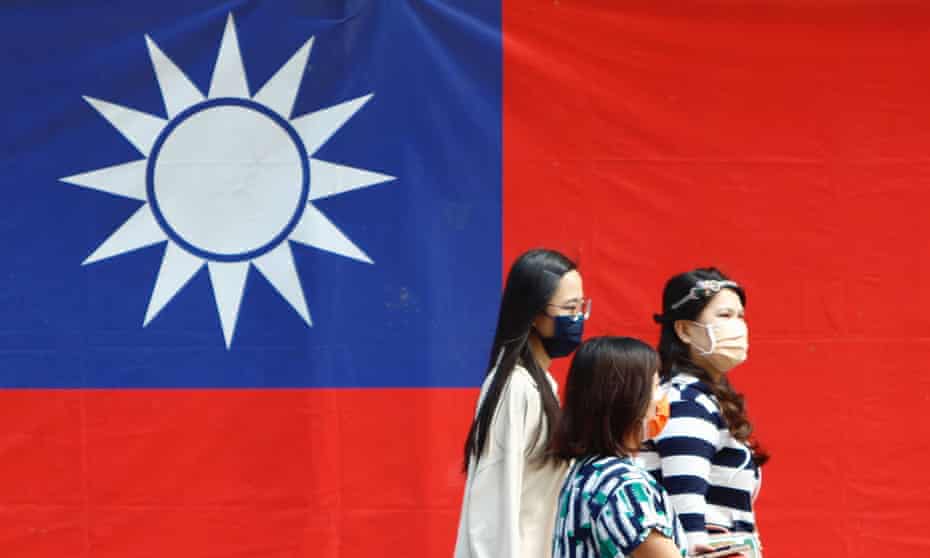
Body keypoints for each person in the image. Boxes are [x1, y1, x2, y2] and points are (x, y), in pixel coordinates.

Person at [454, 248, 591, 558]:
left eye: (581, 306)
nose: (578, 318)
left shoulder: (540, 383)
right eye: (569, 308)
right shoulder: (515, 387)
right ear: (532, 312)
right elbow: (492, 505)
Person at [638, 268, 768, 553]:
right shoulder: (686, 403)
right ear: (684, 330)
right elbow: (685, 507)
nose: (738, 326)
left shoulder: (704, 399)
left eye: (740, 316)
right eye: (724, 316)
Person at [552, 336, 688, 558]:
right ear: (627, 398)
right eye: (654, 386)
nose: (662, 398)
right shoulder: (623, 485)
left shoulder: (585, 473)